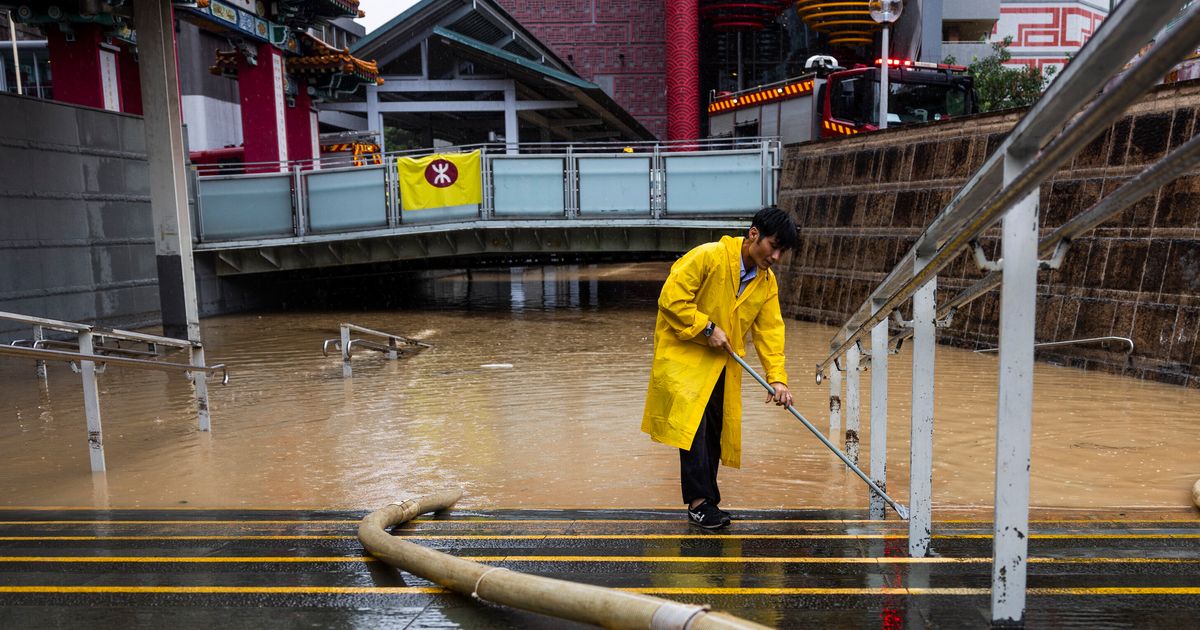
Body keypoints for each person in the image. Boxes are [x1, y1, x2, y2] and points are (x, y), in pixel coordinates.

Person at [641, 207, 798, 529]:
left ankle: (707, 502)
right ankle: (700, 504)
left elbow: (770, 332)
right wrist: (707, 328)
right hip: (684, 358)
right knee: (694, 430)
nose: (777, 257)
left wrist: (778, 379)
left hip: (722, 363)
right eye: (774, 246)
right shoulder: (708, 257)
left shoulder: (766, 284)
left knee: (713, 432)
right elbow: (671, 299)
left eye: (783, 251)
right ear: (754, 233)